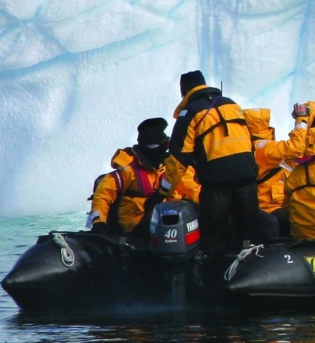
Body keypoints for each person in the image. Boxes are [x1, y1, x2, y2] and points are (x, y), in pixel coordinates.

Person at [169, 70, 269, 250]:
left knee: (213, 229)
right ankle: (252, 262)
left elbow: (178, 158)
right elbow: (248, 140)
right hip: (246, 175)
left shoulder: (190, 112)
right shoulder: (231, 105)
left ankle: (214, 267)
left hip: (217, 181)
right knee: (248, 227)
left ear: (184, 92)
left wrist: (162, 191)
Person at [89, 117, 198, 236]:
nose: (167, 148)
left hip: (172, 228)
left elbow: (195, 191)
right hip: (137, 228)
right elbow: (103, 194)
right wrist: (98, 222)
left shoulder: (173, 169)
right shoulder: (129, 170)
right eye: (165, 144)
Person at [246, 107, 288, 219]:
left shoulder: (246, 145)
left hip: (264, 201)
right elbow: (295, 148)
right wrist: (301, 123)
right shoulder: (265, 147)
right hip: (269, 203)